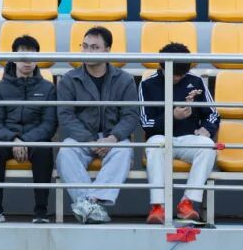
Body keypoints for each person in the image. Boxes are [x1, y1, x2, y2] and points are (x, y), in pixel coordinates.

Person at [55, 26, 139, 224]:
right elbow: (66, 116)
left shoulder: (124, 79)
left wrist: (113, 138)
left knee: (124, 150)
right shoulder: (70, 79)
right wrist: (89, 140)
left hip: (113, 138)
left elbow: (130, 115)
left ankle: (89, 202)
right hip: (82, 138)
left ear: (107, 50)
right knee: (65, 151)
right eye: (85, 46)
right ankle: (92, 206)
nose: (87, 51)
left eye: (94, 47)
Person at [138, 43, 219, 224]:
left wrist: (207, 129)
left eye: (181, 75)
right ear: (162, 66)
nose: (177, 78)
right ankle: (158, 206)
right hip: (160, 138)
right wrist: (172, 116)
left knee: (208, 146)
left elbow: (213, 114)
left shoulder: (196, 81)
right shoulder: (147, 84)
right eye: (173, 74)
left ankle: (187, 203)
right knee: (154, 144)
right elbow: (146, 123)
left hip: (188, 138)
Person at [0, 34, 58, 223]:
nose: (27, 61)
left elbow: (49, 125)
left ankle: (41, 212)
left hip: (35, 141)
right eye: (22, 56)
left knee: (44, 152)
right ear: (14, 57)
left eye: (32, 56)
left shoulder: (48, 88)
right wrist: (14, 139)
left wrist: (25, 140)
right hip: (8, 140)